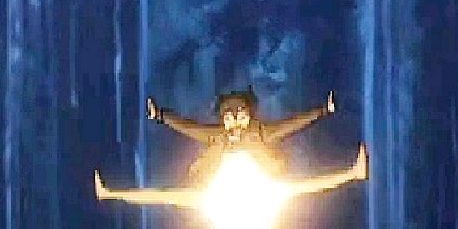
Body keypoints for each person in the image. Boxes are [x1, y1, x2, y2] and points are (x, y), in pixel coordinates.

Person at [93, 88, 368, 210]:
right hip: (223, 196)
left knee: (299, 188)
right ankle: (109, 193)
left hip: (257, 193)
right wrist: (161, 116)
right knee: (168, 196)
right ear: (223, 119)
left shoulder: (260, 134)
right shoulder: (216, 138)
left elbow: (291, 125)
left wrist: (323, 110)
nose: (235, 121)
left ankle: (354, 173)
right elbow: (188, 128)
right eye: (229, 116)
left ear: (248, 115)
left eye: (240, 115)